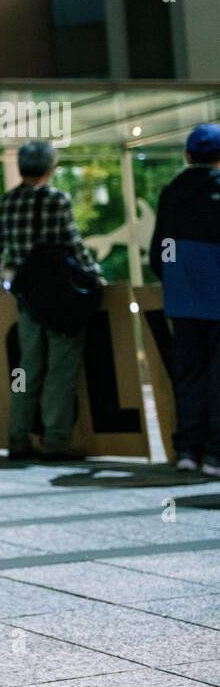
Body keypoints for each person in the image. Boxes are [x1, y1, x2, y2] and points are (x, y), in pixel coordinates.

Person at [0, 140, 101, 462]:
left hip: (27, 297)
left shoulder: (6, 202)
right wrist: (96, 275)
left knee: (27, 368)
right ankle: (55, 441)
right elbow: (74, 244)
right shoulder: (57, 200)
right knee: (59, 370)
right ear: (50, 169)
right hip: (60, 297)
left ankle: (18, 437)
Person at [149, 123, 220, 475]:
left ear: (187, 155)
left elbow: (159, 250)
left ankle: (187, 450)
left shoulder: (171, 193)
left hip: (183, 299)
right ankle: (214, 454)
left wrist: (176, 279)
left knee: (189, 374)